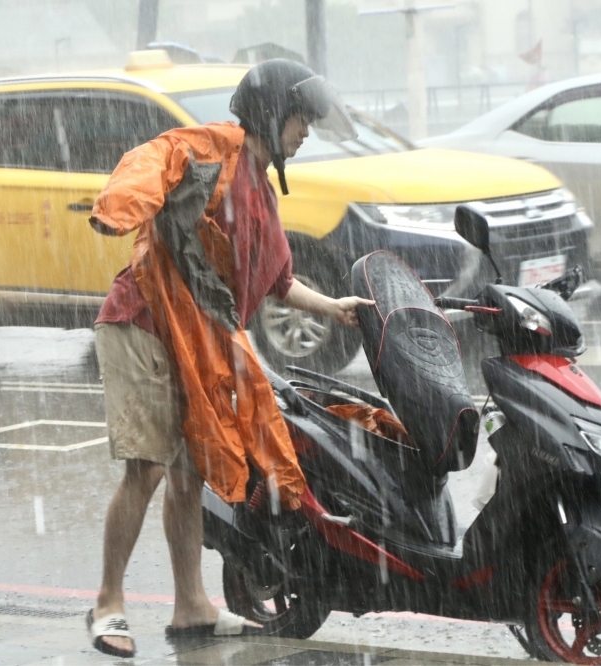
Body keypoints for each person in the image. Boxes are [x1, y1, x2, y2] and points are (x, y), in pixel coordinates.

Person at [85, 59, 372, 658]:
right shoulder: (215, 148)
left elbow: (279, 283)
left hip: (202, 343)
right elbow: (154, 157)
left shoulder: (263, 193)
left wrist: (336, 309)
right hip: (144, 323)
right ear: (271, 112)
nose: (306, 133)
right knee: (148, 467)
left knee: (191, 474)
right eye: (300, 120)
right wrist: (120, 205)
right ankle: (108, 602)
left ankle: (191, 605)